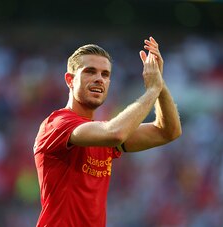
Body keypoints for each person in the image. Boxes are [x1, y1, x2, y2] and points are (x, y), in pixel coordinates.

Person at [33, 36, 182, 227]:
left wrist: (160, 84)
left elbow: (168, 131)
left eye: (105, 74)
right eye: (90, 71)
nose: (99, 79)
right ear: (70, 80)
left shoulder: (102, 134)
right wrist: (152, 90)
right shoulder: (57, 124)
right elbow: (115, 133)